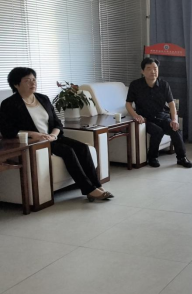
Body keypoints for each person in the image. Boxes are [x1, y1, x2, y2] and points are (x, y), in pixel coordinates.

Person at [0, 67, 113, 202]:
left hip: (53, 137)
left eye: (34, 79)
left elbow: (57, 123)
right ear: (16, 84)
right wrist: (33, 134)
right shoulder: (9, 104)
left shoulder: (43, 98)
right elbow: (7, 130)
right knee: (67, 151)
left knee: (82, 148)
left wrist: (54, 135)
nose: (32, 83)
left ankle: (97, 186)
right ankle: (88, 189)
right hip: (36, 142)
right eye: (27, 80)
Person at [126, 57, 192, 168]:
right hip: (146, 118)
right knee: (157, 131)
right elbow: (128, 104)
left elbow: (171, 104)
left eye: (155, 68)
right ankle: (152, 157)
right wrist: (136, 116)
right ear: (142, 71)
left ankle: (182, 158)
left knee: (175, 129)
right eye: (149, 68)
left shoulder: (164, 85)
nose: (153, 71)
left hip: (162, 116)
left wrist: (174, 119)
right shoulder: (135, 85)